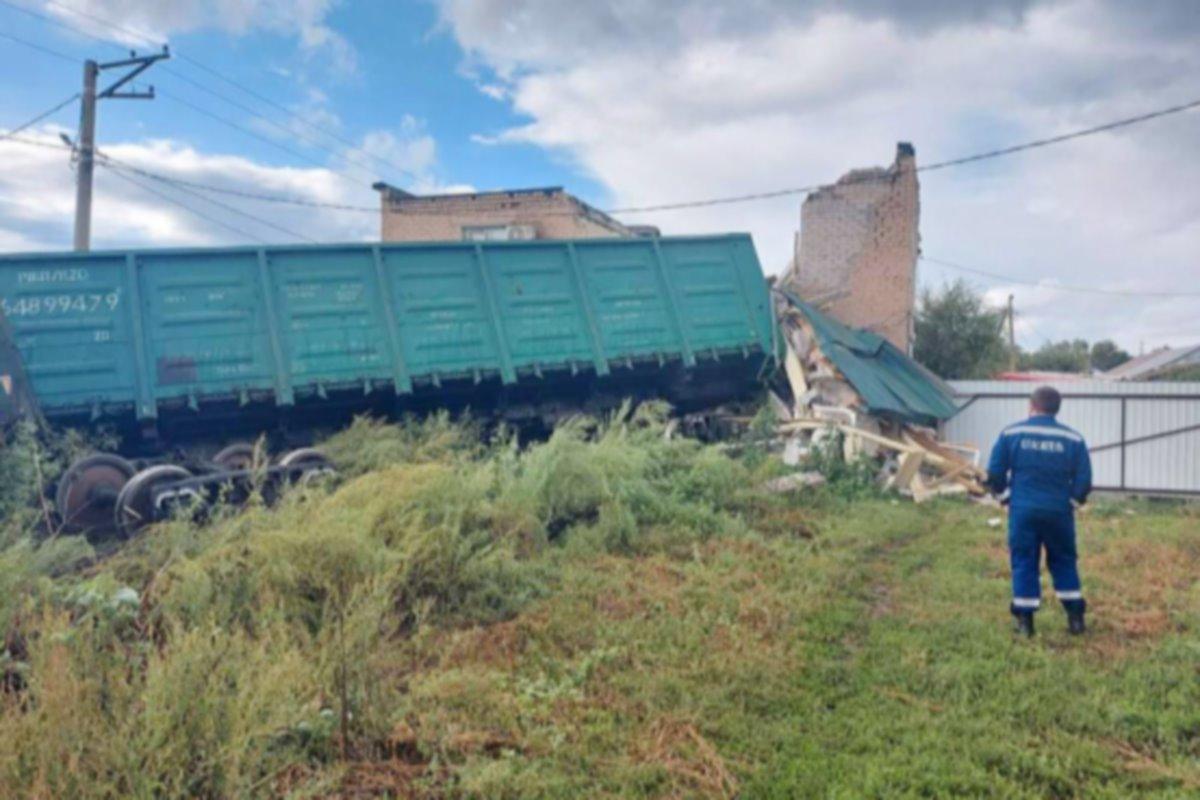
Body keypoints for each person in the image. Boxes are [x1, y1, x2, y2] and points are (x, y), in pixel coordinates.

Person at [986, 386, 1092, 637]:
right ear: (1056, 408)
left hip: (1023, 510)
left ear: (1031, 406)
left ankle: (1025, 624)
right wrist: (1072, 503)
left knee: (1024, 561)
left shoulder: (1011, 433)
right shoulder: (1073, 439)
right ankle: (1075, 619)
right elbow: (1084, 480)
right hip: (1058, 512)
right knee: (1064, 561)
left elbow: (995, 474)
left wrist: (1005, 498)